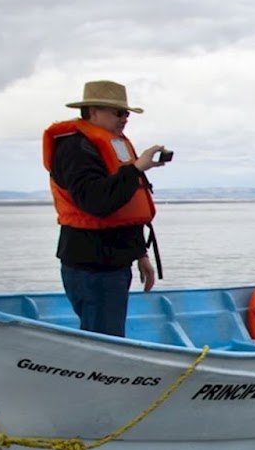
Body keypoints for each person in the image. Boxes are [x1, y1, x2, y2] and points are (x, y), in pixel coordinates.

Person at [43, 80, 170, 336]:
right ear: (93, 111)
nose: (125, 118)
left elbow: (122, 207)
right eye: (118, 112)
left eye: (126, 113)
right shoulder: (75, 149)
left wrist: (140, 253)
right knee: (103, 338)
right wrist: (135, 169)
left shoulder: (115, 144)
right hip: (91, 264)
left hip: (114, 261)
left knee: (109, 334)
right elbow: (95, 202)